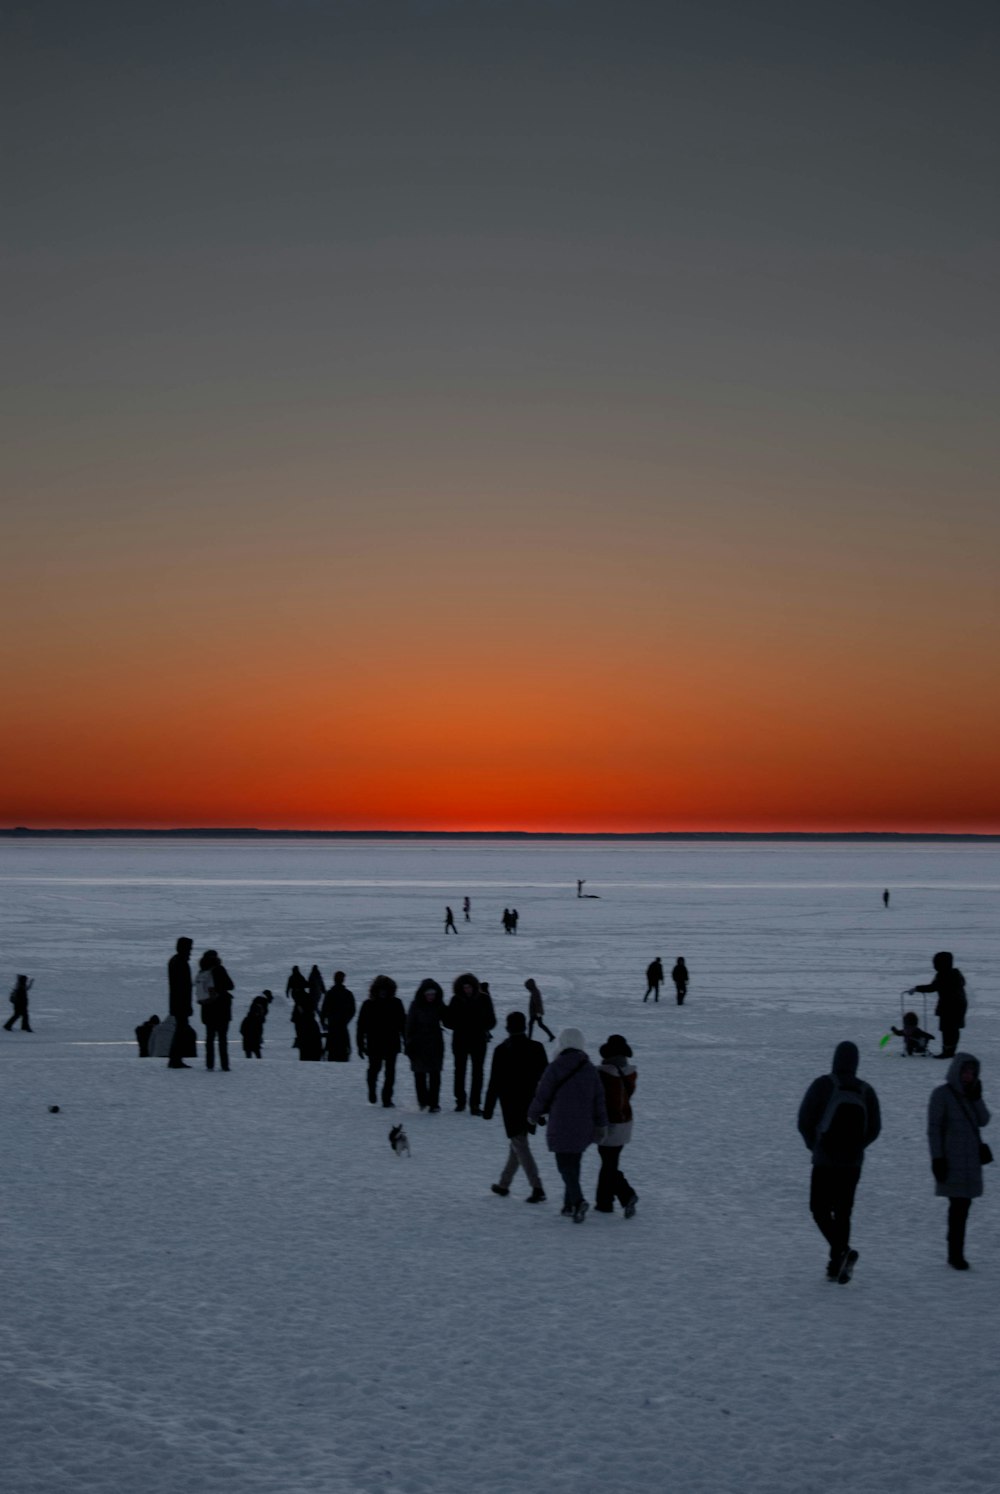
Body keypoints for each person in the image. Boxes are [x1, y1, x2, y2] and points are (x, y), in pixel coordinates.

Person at [797, 1041, 881, 1282]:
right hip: (853, 1163)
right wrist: (858, 1147)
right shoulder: (866, 1090)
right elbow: (875, 1128)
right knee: (843, 1212)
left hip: (825, 1159)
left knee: (819, 1209)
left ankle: (841, 1254)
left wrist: (815, 1145)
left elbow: (804, 1120)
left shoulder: (823, 1084)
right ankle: (837, 1263)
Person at [528, 1027, 608, 1223]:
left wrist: (532, 1115)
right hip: (584, 1125)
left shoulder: (555, 1067)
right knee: (574, 1163)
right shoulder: (589, 1068)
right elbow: (599, 1099)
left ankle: (578, 1201)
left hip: (561, 1123)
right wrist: (602, 1124)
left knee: (564, 1166)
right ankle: (568, 1205)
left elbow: (542, 1095)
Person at [928, 1053, 991, 1270]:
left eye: (972, 1073)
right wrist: (937, 1158)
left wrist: (976, 1098)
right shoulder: (941, 1095)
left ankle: (956, 1253)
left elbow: (984, 1120)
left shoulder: (972, 1095)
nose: (968, 1076)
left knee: (963, 1206)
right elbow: (934, 1130)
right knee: (958, 1207)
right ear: (956, 1071)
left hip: (970, 1161)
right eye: (965, 1071)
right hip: (951, 1161)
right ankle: (955, 1254)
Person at [482, 1011, 548, 1202]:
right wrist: (544, 1106)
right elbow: (546, 1080)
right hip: (532, 1102)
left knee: (519, 1143)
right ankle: (504, 1184)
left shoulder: (502, 1050)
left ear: (508, 1028)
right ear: (525, 1026)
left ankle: (537, 1188)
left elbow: (494, 1082)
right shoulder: (536, 1048)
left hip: (510, 1104)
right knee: (518, 1143)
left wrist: (488, 1108)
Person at [595, 1035, 638, 1216]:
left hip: (608, 1124)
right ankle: (604, 1201)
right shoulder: (630, 1072)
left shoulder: (604, 1074)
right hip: (625, 1121)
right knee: (609, 1162)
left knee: (608, 1163)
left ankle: (625, 1194)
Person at [444, 972, 496, 1114]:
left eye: (469, 987)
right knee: (459, 1072)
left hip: (478, 1041)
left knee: (477, 1073)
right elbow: (447, 1021)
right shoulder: (455, 1000)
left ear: (474, 986)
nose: (467, 990)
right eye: (464, 987)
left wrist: (480, 1026)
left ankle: (475, 1104)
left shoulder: (484, 999)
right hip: (460, 1041)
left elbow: (492, 1020)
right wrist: (460, 1025)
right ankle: (460, 1101)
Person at [356, 974, 406, 1107]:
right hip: (374, 1043)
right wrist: (360, 1045)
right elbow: (361, 1026)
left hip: (391, 1043)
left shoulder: (396, 1003)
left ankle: (387, 1099)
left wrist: (406, 1041)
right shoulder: (368, 1004)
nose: (383, 992)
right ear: (375, 990)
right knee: (374, 1069)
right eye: (381, 989)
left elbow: (402, 1025)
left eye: (386, 989)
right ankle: (372, 1091)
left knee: (390, 1072)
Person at [907, 952, 967, 1059]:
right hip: (958, 1005)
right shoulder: (955, 974)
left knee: (948, 1029)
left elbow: (932, 987)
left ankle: (947, 1051)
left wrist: (917, 988)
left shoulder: (944, 975)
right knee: (953, 1029)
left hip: (951, 1006)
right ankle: (950, 1050)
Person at [405, 978, 447, 1111]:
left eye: (433, 994)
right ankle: (422, 1101)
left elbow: (449, 1019)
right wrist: (409, 1043)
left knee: (435, 1075)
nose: (431, 996)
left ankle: (434, 1104)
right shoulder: (415, 1005)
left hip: (435, 1044)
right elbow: (409, 1025)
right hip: (418, 1045)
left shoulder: (439, 1005)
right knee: (420, 1075)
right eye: (428, 994)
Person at [199, 950, 233, 1072]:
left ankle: (209, 1064)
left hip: (208, 1010)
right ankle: (224, 1064)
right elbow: (230, 985)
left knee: (209, 1037)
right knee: (222, 1038)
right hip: (222, 1008)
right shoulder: (219, 969)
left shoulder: (202, 972)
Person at [166, 938, 194, 1068]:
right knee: (181, 1030)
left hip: (178, 1003)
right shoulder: (180, 962)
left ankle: (175, 1058)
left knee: (180, 1029)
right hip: (180, 1003)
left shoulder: (175, 961)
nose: (191, 951)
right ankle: (175, 1058)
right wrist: (187, 1005)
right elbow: (183, 987)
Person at [321, 971, 356, 1061]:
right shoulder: (348, 994)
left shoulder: (330, 993)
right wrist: (346, 1020)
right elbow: (352, 1010)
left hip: (333, 1027)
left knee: (331, 1053)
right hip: (342, 1027)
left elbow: (323, 1010)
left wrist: (323, 1022)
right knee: (343, 1052)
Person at [240, 992, 271, 1059]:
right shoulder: (263, 1004)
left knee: (249, 1050)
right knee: (256, 1049)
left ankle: (250, 1060)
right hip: (255, 1028)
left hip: (249, 1028)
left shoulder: (256, 1003)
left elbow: (242, 1030)